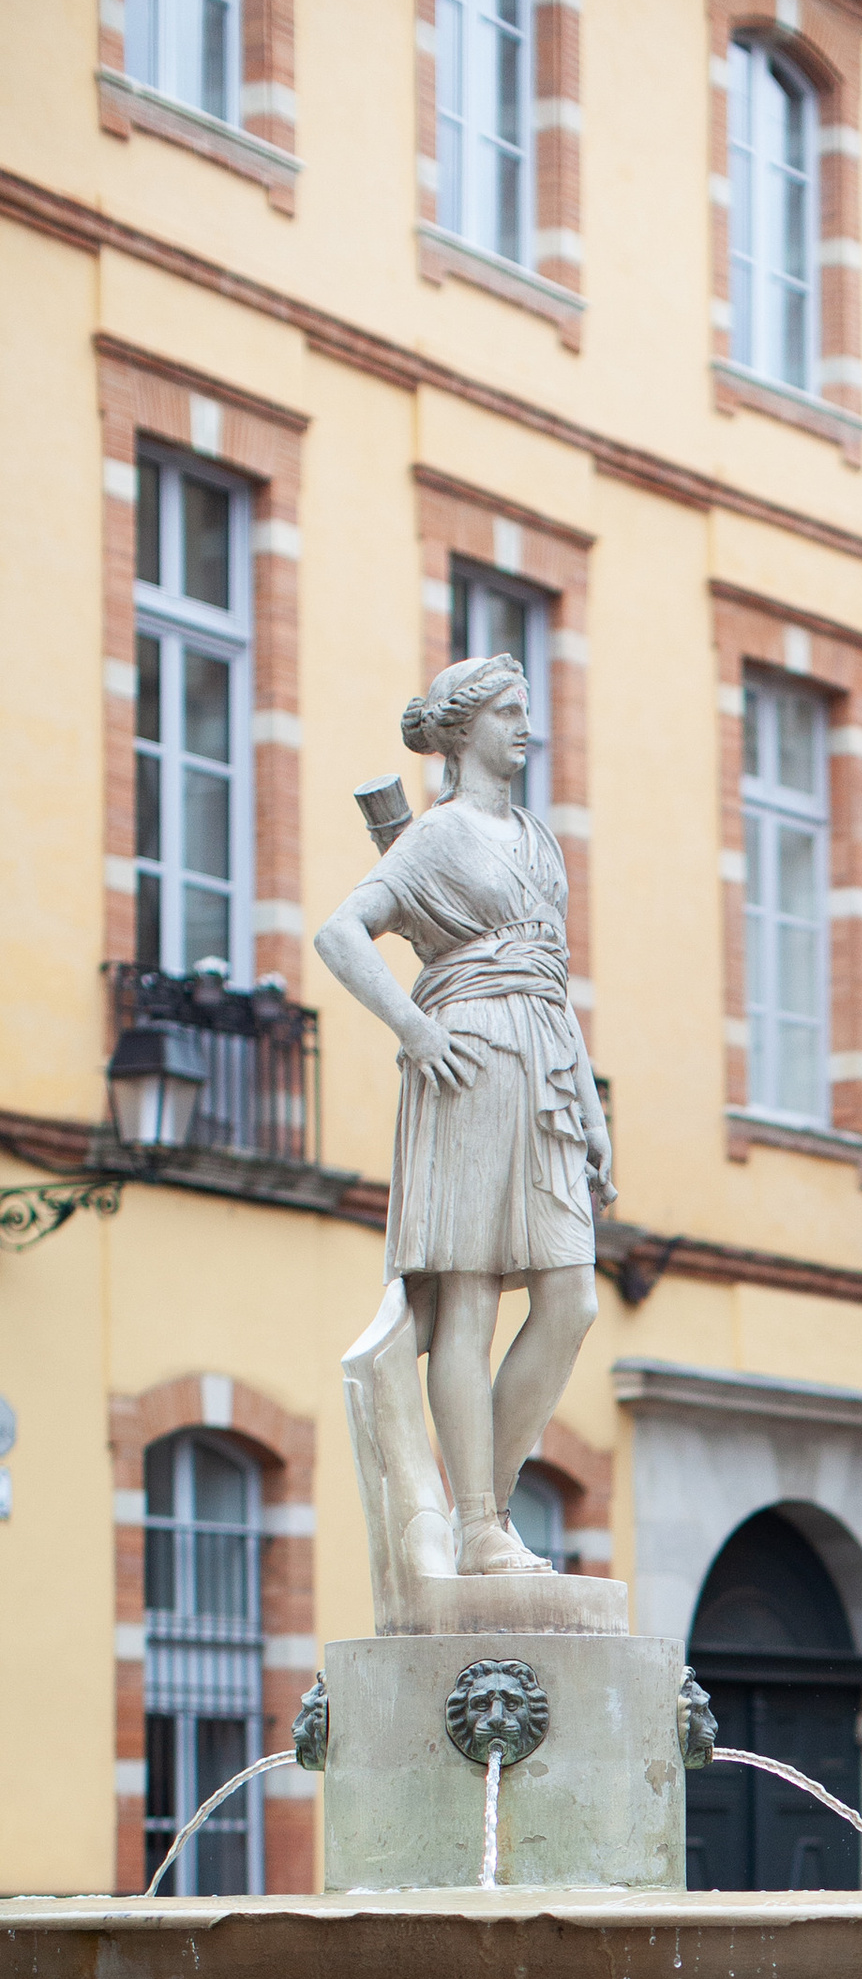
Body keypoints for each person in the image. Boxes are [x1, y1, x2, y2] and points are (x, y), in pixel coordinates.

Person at [314, 655, 611, 1576]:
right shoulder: (436, 836)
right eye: (510, 711)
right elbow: (340, 932)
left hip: (546, 1067)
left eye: (527, 710)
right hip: (469, 1059)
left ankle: (485, 1505)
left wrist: (592, 1108)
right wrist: (413, 1030)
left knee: (572, 1298)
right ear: (464, 726)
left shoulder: (538, 841)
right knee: (470, 1296)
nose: (527, 727)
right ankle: (479, 1524)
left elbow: (552, 979)